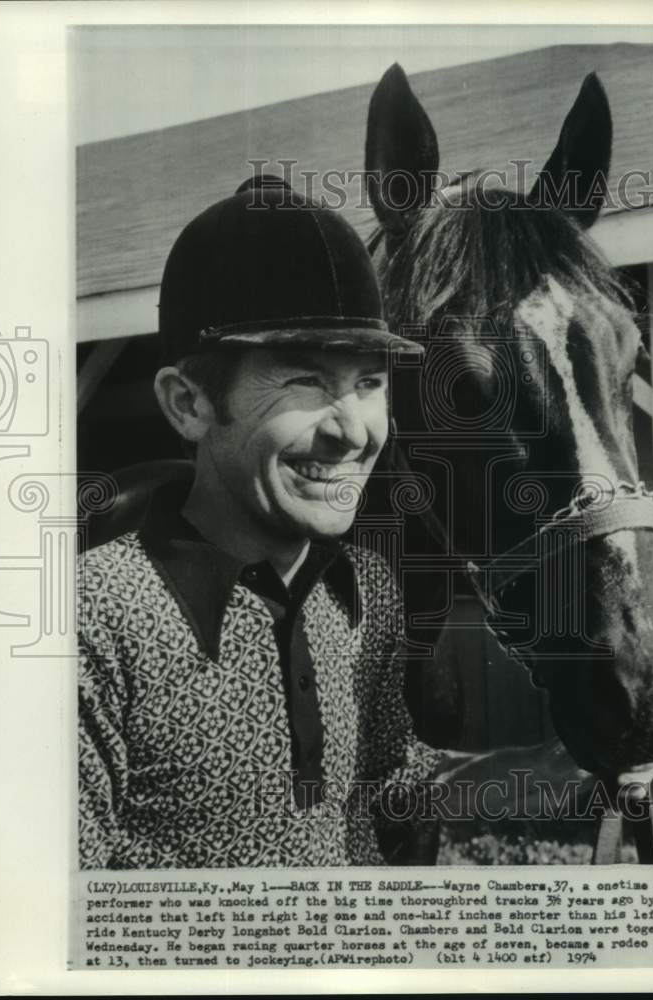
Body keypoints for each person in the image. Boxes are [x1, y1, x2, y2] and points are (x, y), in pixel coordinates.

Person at [77, 175, 585, 869]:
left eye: (369, 383)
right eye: (305, 381)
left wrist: (548, 769)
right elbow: (53, 924)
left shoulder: (364, 592)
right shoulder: (89, 619)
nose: (354, 431)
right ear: (188, 404)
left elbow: (382, 785)